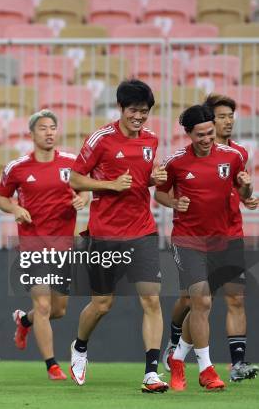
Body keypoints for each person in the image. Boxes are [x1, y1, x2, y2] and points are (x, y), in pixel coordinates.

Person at [68, 80, 169, 393]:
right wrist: (110, 185)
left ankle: (151, 373)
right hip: (106, 233)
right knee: (102, 304)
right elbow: (74, 179)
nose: (139, 116)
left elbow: (138, 181)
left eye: (144, 111)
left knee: (151, 300)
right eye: (133, 110)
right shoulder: (102, 139)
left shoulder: (151, 140)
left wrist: (153, 178)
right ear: (121, 109)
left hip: (143, 231)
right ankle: (79, 347)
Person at [156, 104, 252, 391]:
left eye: (210, 132)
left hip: (226, 240)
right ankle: (206, 369)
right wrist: (173, 202)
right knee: (203, 301)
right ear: (188, 134)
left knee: (209, 305)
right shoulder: (175, 162)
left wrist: (247, 188)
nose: (208, 138)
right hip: (189, 241)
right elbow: (159, 192)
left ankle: (177, 358)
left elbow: (243, 192)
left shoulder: (233, 157)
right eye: (201, 134)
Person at [0, 110, 89, 381]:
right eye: (43, 128)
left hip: (63, 244)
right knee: (44, 306)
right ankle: (52, 365)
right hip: (31, 244)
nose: (49, 132)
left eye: (52, 128)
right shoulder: (17, 167)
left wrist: (83, 199)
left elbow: (86, 188)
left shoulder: (72, 163)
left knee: (58, 310)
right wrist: (14, 208)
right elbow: (0, 198)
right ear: (32, 134)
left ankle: (24, 321)